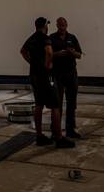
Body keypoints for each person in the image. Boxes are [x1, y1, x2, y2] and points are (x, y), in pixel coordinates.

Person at [20, 18, 73, 148]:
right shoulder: (45, 37)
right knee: (55, 106)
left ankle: (39, 136)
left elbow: (22, 51)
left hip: (34, 75)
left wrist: (32, 63)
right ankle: (59, 138)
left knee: (39, 104)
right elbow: (49, 52)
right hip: (46, 76)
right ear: (45, 26)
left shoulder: (31, 38)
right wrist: (47, 65)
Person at [49, 17, 84, 139]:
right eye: (59, 25)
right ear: (57, 25)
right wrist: (57, 54)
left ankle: (70, 129)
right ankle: (55, 130)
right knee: (57, 103)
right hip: (58, 74)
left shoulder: (72, 38)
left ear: (67, 25)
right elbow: (47, 55)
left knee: (71, 102)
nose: (62, 27)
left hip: (71, 73)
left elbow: (80, 55)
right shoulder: (52, 38)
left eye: (63, 25)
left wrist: (72, 53)